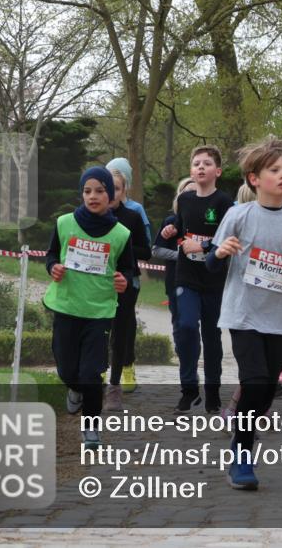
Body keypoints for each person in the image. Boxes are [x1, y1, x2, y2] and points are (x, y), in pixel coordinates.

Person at [208, 136, 282, 490]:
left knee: (267, 389)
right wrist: (221, 253)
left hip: (279, 319)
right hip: (242, 314)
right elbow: (211, 265)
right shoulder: (238, 215)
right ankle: (241, 455)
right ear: (254, 178)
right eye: (274, 170)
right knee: (254, 381)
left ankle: (245, 431)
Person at [43, 167, 134, 448]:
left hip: (99, 311)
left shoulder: (121, 234)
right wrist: (53, 268)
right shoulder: (64, 223)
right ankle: (74, 388)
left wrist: (124, 280)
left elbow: (129, 269)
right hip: (66, 307)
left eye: (100, 190)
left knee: (92, 374)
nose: (93, 196)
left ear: (110, 194)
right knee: (68, 371)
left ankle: (91, 429)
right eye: (87, 191)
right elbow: (50, 256)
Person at [163, 145, 235, 414]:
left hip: (214, 279)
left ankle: (213, 391)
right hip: (186, 276)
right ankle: (189, 390)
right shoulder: (184, 200)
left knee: (212, 336)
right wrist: (174, 231)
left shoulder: (224, 203)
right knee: (186, 327)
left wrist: (204, 248)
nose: (200, 167)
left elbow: (228, 241)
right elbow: (183, 232)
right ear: (191, 171)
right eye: (196, 163)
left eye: (206, 163)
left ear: (217, 171)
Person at [103, 169, 151, 412]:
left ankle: (116, 382)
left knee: (121, 331)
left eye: (117, 189)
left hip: (125, 281)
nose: (111, 193)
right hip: (96, 283)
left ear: (123, 192)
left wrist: (124, 245)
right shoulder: (90, 217)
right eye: (106, 188)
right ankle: (97, 371)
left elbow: (147, 251)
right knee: (98, 329)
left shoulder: (131, 217)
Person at [151, 178, 196, 355]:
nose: (191, 196)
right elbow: (156, 250)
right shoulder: (171, 222)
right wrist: (180, 256)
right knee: (179, 320)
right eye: (186, 193)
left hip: (200, 281)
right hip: (175, 280)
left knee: (194, 322)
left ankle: (193, 350)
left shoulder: (206, 224)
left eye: (195, 192)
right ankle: (183, 350)